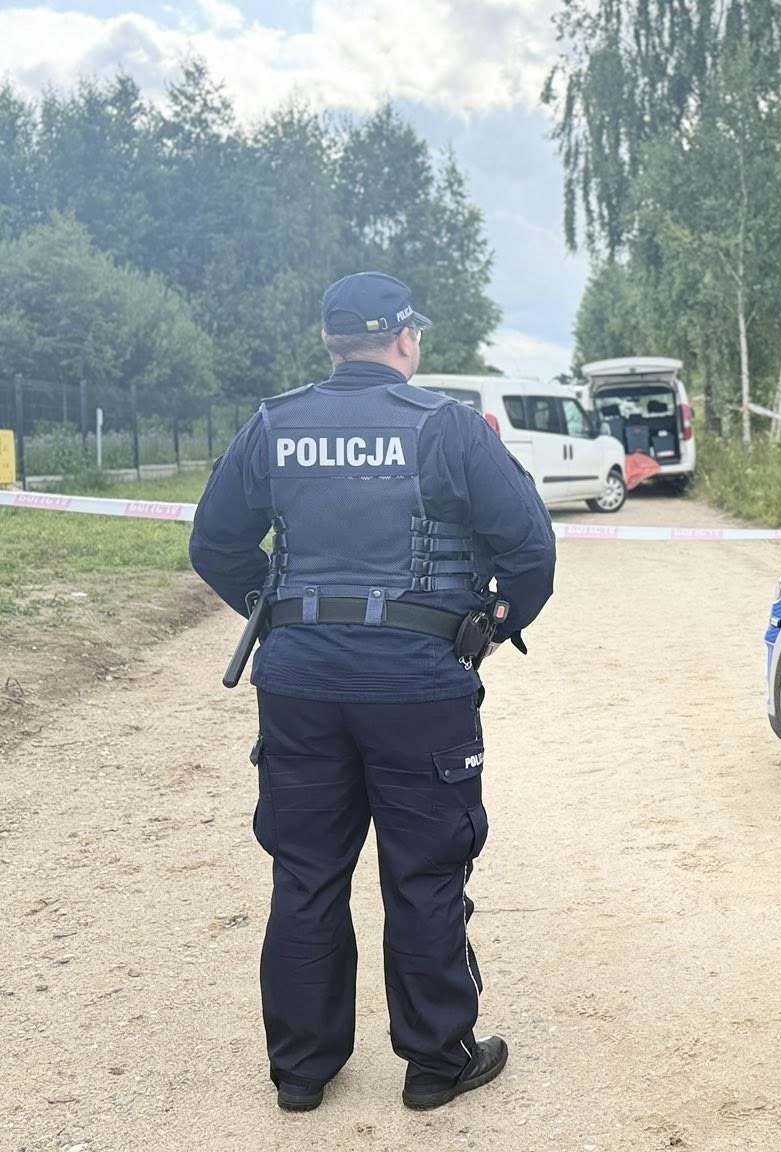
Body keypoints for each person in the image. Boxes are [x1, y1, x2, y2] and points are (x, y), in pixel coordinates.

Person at [189, 272, 556, 1113]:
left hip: (299, 686)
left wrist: (280, 616)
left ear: (331, 343)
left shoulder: (273, 424)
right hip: (420, 686)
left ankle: (301, 1072)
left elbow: (215, 543)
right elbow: (529, 548)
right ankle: (437, 1063)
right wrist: (491, 624)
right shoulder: (449, 428)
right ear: (404, 339)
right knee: (425, 871)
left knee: (306, 872)